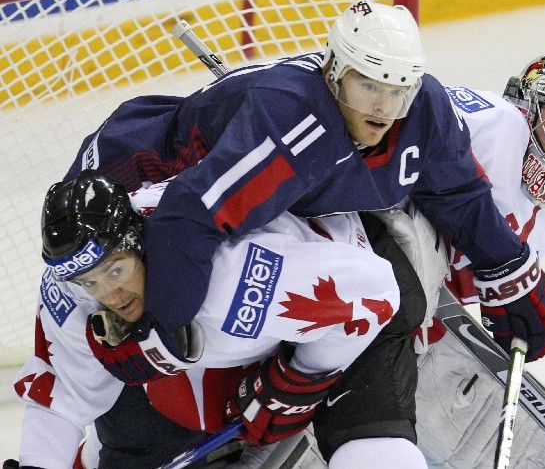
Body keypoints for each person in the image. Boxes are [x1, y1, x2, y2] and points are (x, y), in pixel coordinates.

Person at [72, 0, 545, 403]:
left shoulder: (423, 110)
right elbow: (189, 217)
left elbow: (458, 193)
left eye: (397, 89)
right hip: (134, 178)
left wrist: (510, 269)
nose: (383, 107)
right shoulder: (293, 122)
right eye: (368, 84)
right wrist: (159, 329)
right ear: (335, 72)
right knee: (85, 349)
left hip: (227, 208)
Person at [7, 170, 403, 468]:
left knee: (366, 446)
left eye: (116, 271)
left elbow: (377, 292)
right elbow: (63, 395)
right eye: (90, 281)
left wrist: (298, 380)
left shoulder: (232, 281)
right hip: (234, 342)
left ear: (139, 244)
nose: (109, 295)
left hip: (353, 296)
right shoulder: (73, 288)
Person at [413, 54, 545, 467]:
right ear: (527, 104)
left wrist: (505, 305)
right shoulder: (495, 120)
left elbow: (473, 287)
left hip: (421, 311)